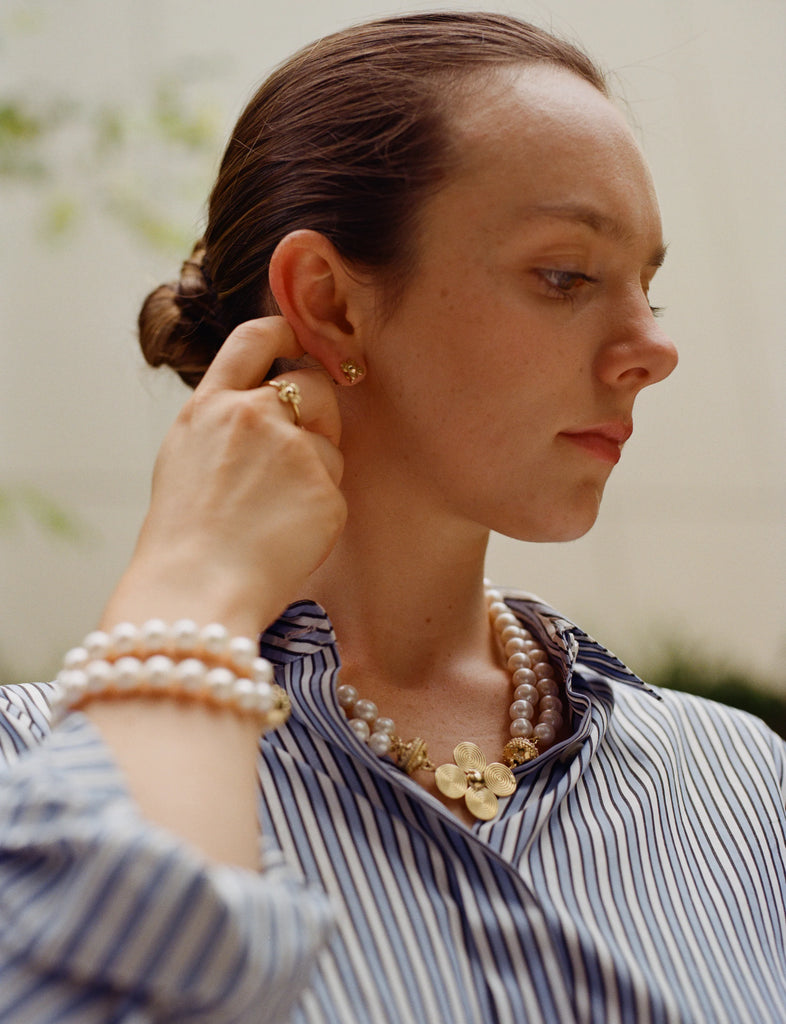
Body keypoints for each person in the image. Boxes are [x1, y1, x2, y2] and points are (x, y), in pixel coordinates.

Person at [1, 11, 784, 1023]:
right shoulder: (31, 774)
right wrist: (190, 581)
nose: (652, 347)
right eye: (568, 275)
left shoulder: (737, 786)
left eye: (650, 288)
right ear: (327, 302)